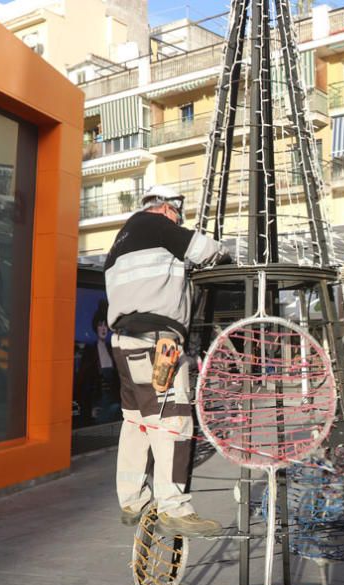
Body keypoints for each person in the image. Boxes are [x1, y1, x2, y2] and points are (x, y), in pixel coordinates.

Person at [105, 184, 231, 537]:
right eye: (178, 214)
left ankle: (132, 499)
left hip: (126, 342)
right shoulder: (157, 227)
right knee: (173, 421)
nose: (180, 220)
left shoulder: (120, 241)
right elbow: (208, 251)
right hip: (157, 343)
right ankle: (174, 506)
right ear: (166, 208)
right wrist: (225, 255)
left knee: (136, 423)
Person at [74, 303, 121, 426]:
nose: (104, 328)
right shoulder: (90, 352)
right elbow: (82, 382)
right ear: (96, 327)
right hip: (99, 405)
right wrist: (89, 408)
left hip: (115, 403)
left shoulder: (112, 349)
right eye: (101, 325)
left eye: (106, 325)